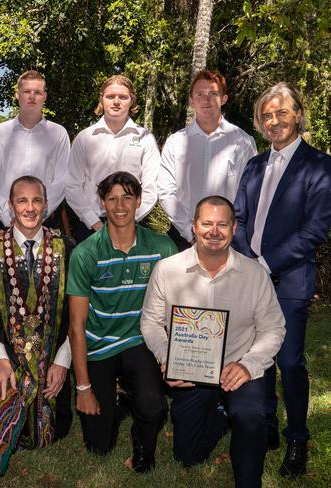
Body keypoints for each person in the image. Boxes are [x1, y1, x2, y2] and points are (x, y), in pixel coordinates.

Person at [141, 196, 286, 488]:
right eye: (207, 223)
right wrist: (168, 358)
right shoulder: (167, 270)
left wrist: (249, 365)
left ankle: (248, 479)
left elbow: (274, 329)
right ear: (194, 227)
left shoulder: (255, 274)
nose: (214, 231)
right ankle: (221, 412)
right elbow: (151, 321)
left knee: (248, 415)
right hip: (191, 369)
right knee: (188, 455)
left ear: (233, 229)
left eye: (222, 224)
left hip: (239, 366)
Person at [233, 82, 331, 478]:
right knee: (260, 356)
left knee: (289, 360)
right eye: (267, 115)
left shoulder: (320, 165)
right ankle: (267, 424)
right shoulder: (255, 164)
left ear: (297, 115)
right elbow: (238, 216)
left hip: (288, 279)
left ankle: (297, 437)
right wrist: (247, 259)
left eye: (281, 113)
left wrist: (267, 263)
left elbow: (316, 229)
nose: (274, 121)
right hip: (250, 275)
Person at [66, 171, 176, 472]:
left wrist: (173, 359)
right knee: (98, 445)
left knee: (153, 405)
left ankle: (143, 444)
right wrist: (84, 388)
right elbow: (77, 326)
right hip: (99, 345)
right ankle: (118, 399)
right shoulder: (86, 253)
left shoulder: (162, 247)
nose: (120, 205)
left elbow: (176, 311)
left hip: (138, 340)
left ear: (139, 201)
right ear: (102, 203)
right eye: (112, 198)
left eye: (127, 197)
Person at [0, 176, 73, 477]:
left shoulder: (66, 248)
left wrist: (62, 361)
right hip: (9, 353)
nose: (30, 208)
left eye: (37, 200)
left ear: (47, 204)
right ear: (10, 206)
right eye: (22, 200)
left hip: (51, 354)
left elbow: (76, 313)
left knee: (54, 426)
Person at [159, 70, 257, 250]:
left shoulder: (243, 142)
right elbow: (166, 191)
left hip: (229, 240)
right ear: (191, 100)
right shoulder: (176, 142)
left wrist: (225, 231)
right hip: (183, 238)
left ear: (224, 98)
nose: (206, 100)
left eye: (213, 93)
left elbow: (249, 193)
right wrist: (191, 232)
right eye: (200, 94)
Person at [65, 75, 161, 242]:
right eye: (110, 96)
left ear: (132, 101)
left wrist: (129, 220)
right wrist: (94, 223)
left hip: (133, 225)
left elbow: (151, 188)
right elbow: (72, 185)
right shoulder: (84, 138)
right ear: (101, 99)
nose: (116, 101)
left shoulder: (146, 138)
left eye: (123, 97)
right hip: (91, 228)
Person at [0, 70, 69, 229]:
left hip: (45, 222)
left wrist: (38, 214)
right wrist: (7, 216)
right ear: (18, 94)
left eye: (37, 92)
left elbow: (62, 179)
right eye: (26, 92)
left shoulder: (58, 133)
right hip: (6, 221)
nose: (32, 96)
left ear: (44, 96)